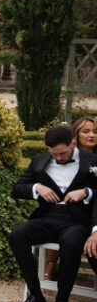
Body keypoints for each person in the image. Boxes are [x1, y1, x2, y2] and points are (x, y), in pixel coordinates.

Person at [9, 124, 97, 302]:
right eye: (53, 154)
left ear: (74, 144)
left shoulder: (93, 161)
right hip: (47, 218)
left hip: (76, 221)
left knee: (72, 242)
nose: (57, 158)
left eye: (62, 153)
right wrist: (37, 187)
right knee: (18, 235)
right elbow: (17, 188)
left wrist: (86, 192)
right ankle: (36, 297)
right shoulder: (39, 161)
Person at [45, 115, 97, 280]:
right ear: (75, 136)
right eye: (86, 131)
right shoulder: (66, 157)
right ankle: (51, 265)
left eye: (95, 131)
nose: (92, 135)